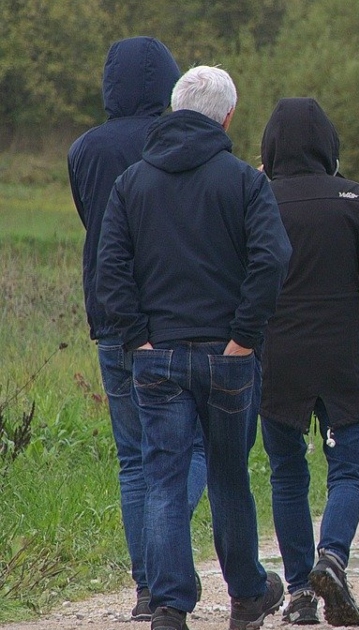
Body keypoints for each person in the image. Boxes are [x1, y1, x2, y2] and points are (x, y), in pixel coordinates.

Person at [96, 65, 292, 630]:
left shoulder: (132, 183)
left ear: (173, 111)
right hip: (226, 358)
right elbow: (272, 259)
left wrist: (137, 336)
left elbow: (110, 269)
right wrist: (244, 337)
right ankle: (246, 598)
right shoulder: (245, 182)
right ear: (227, 117)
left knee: (162, 476)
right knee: (230, 476)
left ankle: (169, 605)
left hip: (156, 358)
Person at [65, 36, 208, 621]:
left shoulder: (84, 150)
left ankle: (148, 587)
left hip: (110, 317)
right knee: (189, 447)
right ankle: (164, 555)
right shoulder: (173, 140)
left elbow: (91, 222)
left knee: (133, 458)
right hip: (172, 314)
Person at [257, 97, 359, 627]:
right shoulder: (352, 197)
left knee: (287, 472)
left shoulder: (258, 199)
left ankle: (297, 594)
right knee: (348, 470)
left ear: (270, 146)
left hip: (278, 353)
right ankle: (332, 558)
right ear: (328, 143)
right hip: (343, 351)